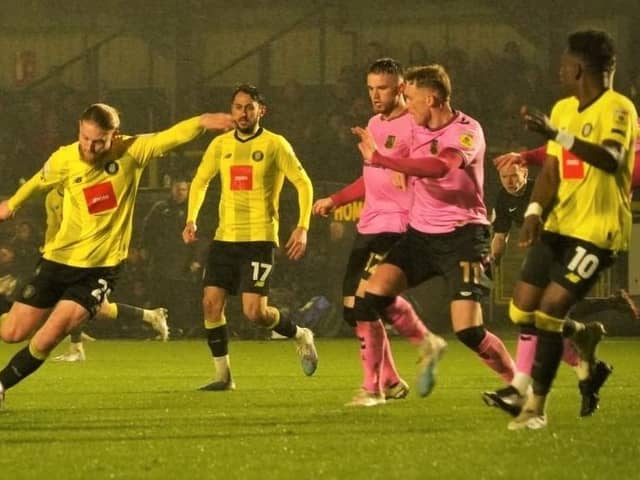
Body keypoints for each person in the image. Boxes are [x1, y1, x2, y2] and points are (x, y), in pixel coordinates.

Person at [0, 103, 233, 407]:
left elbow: (171, 136)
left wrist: (202, 121)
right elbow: (36, 182)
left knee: (50, 334)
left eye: (99, 141)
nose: (90, 147)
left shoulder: (132, 151)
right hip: (58, 261)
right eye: (85, 138)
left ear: (115, 136)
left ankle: (2, 385)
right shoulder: (65, 158)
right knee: (11, 332)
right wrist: (12, 204)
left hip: (100, 270)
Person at [352, 64, 515, 398]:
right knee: (374, 294)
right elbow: (397, 157)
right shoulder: (413, 125)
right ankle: (427, 344)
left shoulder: (467, 131)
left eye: (410, 98)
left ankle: (519, 386)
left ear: (433, 99)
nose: (406, 105)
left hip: (465, 237)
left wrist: (387, 162)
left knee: (469, 331)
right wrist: (391, 166)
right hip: (421, 235)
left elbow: (442, 166)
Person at [504, 29, 637, 430]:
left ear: (578, 68)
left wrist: (556, 134)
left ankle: (534, 408)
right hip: (559, 225)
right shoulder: (562, 109)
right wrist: (533, 210)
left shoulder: (619, 109)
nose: (559, 71)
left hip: (598, 232)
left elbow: (611, 159)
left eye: (564, 65)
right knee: (519, 311)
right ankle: (582, 339)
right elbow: (551, 170)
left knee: (547, 315)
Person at [183, 84, 317, 391]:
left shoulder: (275, 144)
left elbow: (303, 183)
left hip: (259, 237)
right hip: (224, 237)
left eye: (249, 107)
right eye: (238, 107)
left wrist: (302, 226)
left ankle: (300, 334)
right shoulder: (220, 144)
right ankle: (223, 376)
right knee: (210, 304)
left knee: (254, 312)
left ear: (261, 111)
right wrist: (191, 217)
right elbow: (201, 181)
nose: (242, 113)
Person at [313, 58, 415, 406]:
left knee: (365, 303)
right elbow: (370, 179)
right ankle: (392, 380)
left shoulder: (416, 125)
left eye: (382, 88)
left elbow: (429, 168)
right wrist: (336, 199)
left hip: (397, 227)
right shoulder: (373, 123)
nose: (374, 95)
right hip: (369, 225)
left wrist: (409, 175)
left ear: (401, 88)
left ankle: (372, 389)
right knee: (349, 308)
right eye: (370, 88)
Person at [483, 163, 613, 418]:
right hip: (542, 251)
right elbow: (500, 235)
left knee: (538, 317)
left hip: (566, 247)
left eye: (514, 175)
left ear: (525, 173)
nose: (509, 181)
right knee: (529, 317)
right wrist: (491, 262)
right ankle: (585, 360)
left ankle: (526, 394)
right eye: (504, 176)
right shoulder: (503, 197)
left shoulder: (541, 189)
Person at [142, 175, 205, 337]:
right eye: (177, 189)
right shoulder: (160, 208)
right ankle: (157, 329)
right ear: (171, 189)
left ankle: (179, 329)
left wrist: (197, 259)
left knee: (180, 297)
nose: (180, 193)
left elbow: (200, 236)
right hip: (160, 261)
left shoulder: (192, 211)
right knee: (158, 295)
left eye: (183, 189)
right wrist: (144, 248)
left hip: (182, 262)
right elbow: (147, 230)